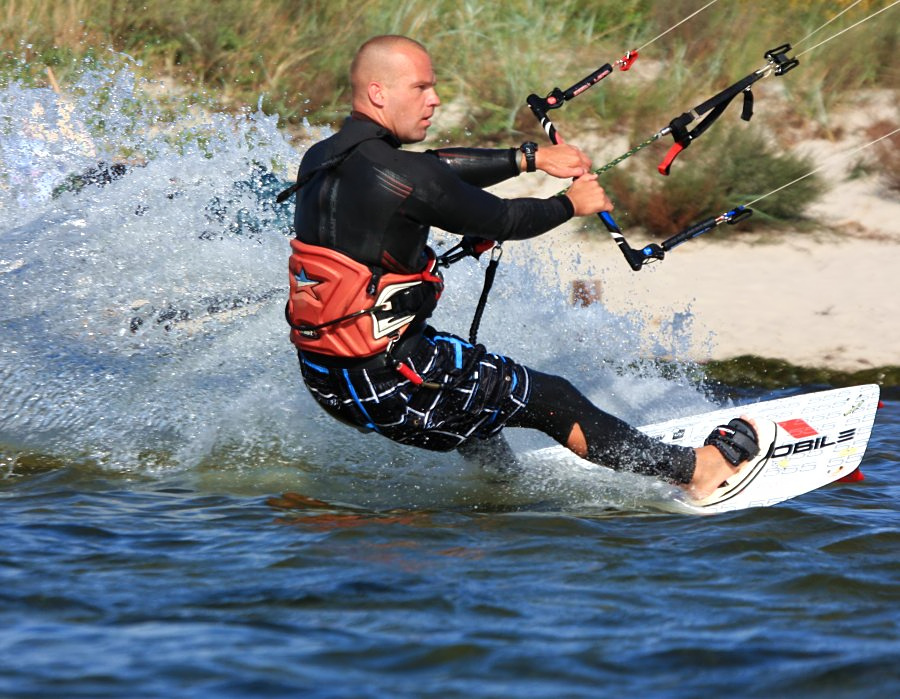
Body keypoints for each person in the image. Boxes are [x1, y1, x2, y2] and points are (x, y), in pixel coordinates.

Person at [283, 35, 769, 501]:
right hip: (393, 383)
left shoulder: (319, 159)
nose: (434, 100)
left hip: (331, 382)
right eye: (421, 87)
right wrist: (570, 204)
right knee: (548, 397)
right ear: (377, 91)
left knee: (475, 395)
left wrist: (528, 158)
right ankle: (699, 472)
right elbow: (502, 217)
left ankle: (498, 491)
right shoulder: (409, 178)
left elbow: (433, 170)